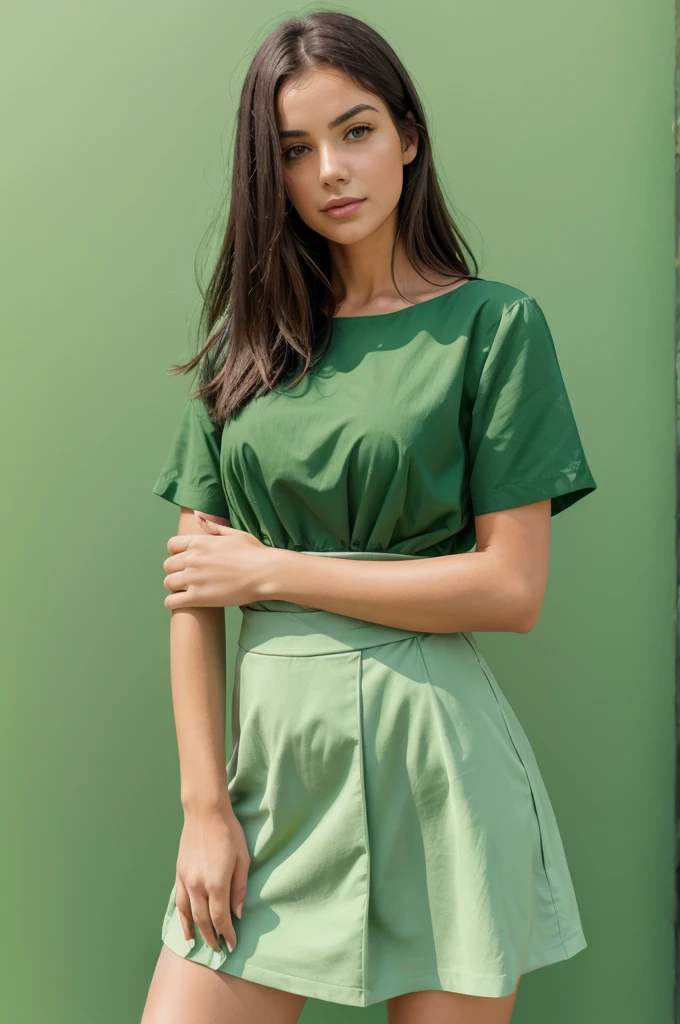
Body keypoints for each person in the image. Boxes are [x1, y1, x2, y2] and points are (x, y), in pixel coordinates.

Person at [140, 11, 597, 1024]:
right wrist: (202, 809)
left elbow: (509, 588)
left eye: (355, 132)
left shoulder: (493, 327)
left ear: (407, 135)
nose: (331, 172)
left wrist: (270, 573)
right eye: (294, 151)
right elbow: (191, 595)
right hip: (271, 777)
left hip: (439, 765)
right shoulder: (240, 357)